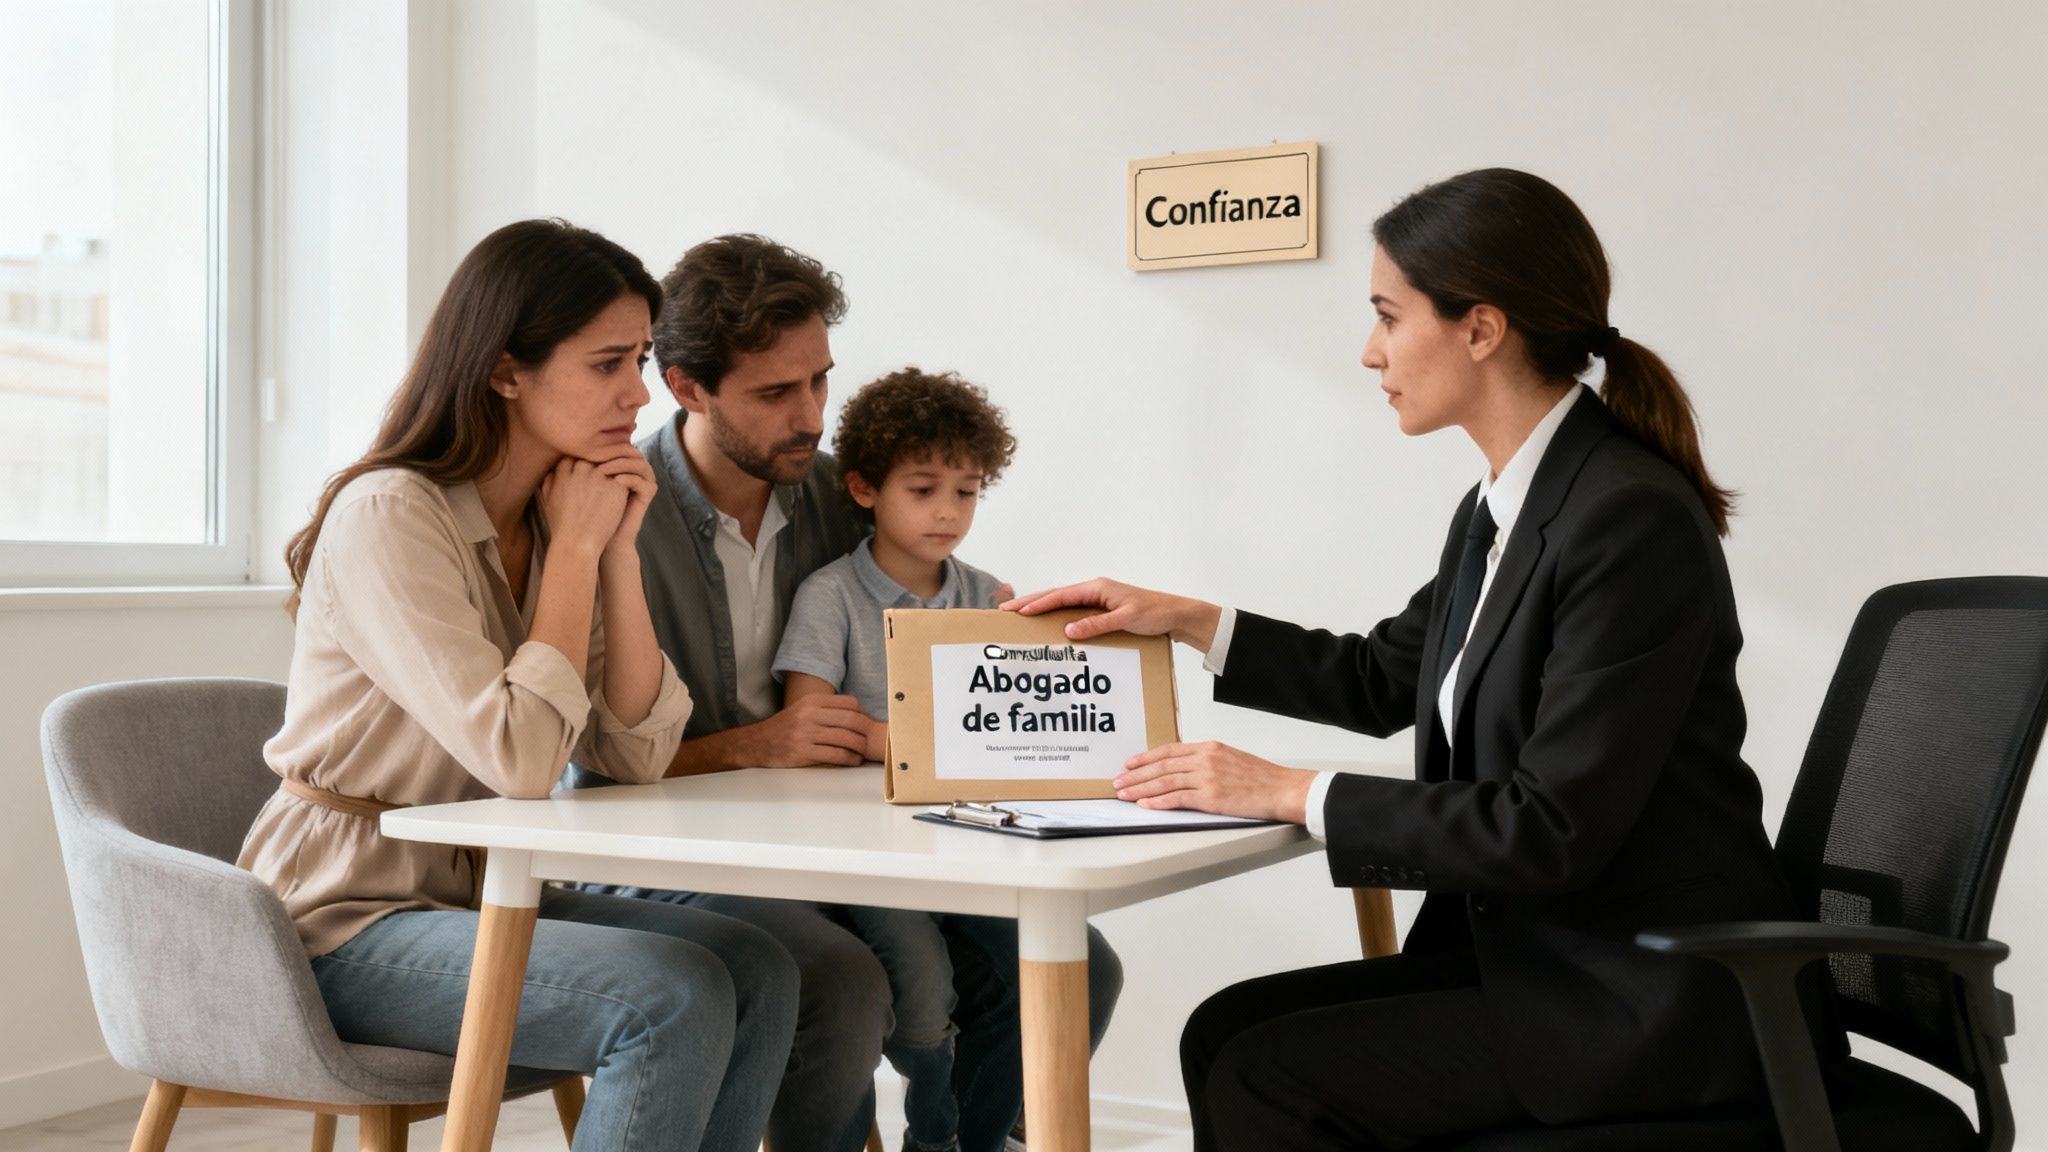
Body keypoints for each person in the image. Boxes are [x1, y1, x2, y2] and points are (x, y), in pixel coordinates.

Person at [1008, 168, 1837, 1150]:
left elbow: (1549, 829)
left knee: (1268, 1077)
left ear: (1479, 329)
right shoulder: (1507, 504)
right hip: (1546, 961)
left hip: (1646, 1001)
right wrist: (1187, 620)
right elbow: (1380, 679)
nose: (1370, 352)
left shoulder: (1624, 518)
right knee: (1222, 1033)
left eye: (1387, 316)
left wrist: (1287, 791)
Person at [237, 218, 800, 1152]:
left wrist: (615, 550)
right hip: (335, 921)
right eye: (607, 363)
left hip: (474, 896)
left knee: (760, 967)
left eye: (641, 360)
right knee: (671, 998)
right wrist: (579, 548)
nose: (638, 393)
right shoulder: (390, 514)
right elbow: (523, 763)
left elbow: (632, 755)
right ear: (505, 371)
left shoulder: (556, 518)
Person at [580, 235, 1120, 1152]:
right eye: (774, 394)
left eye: (820, 380)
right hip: (660, 848)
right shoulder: (614, 508)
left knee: (1078, 967)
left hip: (837, 846)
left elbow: (951, 639)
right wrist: (748, 748)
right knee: (841, 983)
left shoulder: (848, 496)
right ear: (687, 388)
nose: (811, 417)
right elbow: (585, 760)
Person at [773, 368, 1031, 1152]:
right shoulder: (830, 597)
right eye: (923, 490)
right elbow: (813, 727)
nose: (948, 511)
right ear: (864, 488)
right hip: (872, 851)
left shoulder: (988, 597)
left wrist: (890, 736)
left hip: (974, 839)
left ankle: (959, 1138)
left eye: (967, 491)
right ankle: (937, 1127)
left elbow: (1009, 731)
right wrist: (934, 741)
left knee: (1050, 969)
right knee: (922, 995)